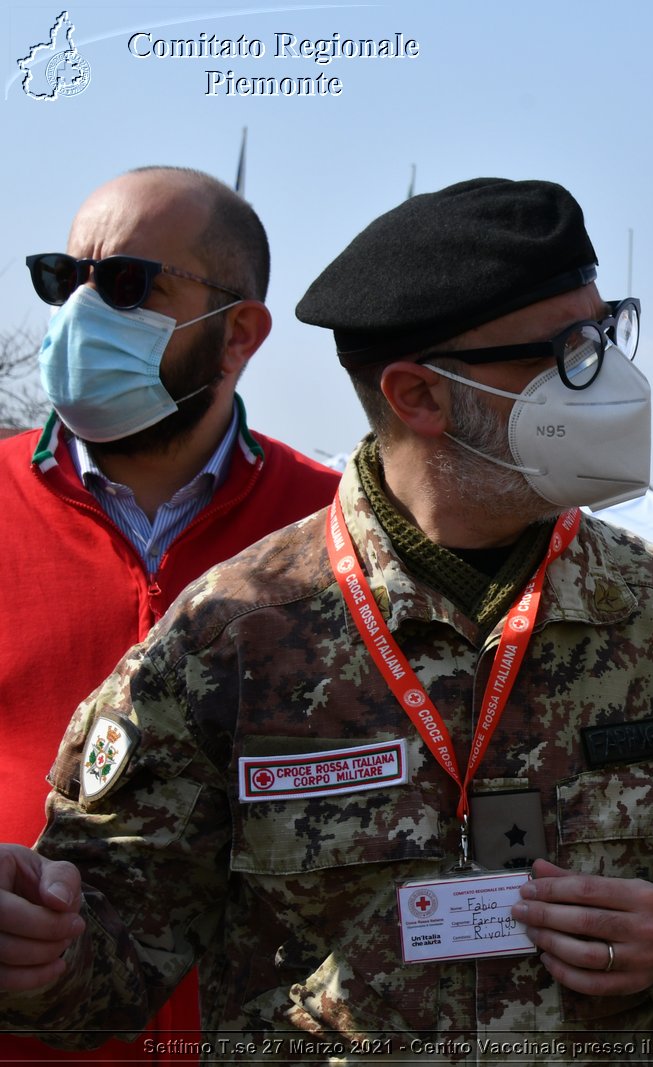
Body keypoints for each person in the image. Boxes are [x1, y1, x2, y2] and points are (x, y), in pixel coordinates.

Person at [0, 177, 653, 1061]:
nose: (605, 373)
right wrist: (37, 950)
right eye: (566, 349)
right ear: (419, 396)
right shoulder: (232, 635)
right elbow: (101, 974)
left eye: (607, 332)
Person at [0, 167, 340, 1062]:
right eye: (59, 278)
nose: (76, 314)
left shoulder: (344, 534)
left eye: (124, 284)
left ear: (239, 334)